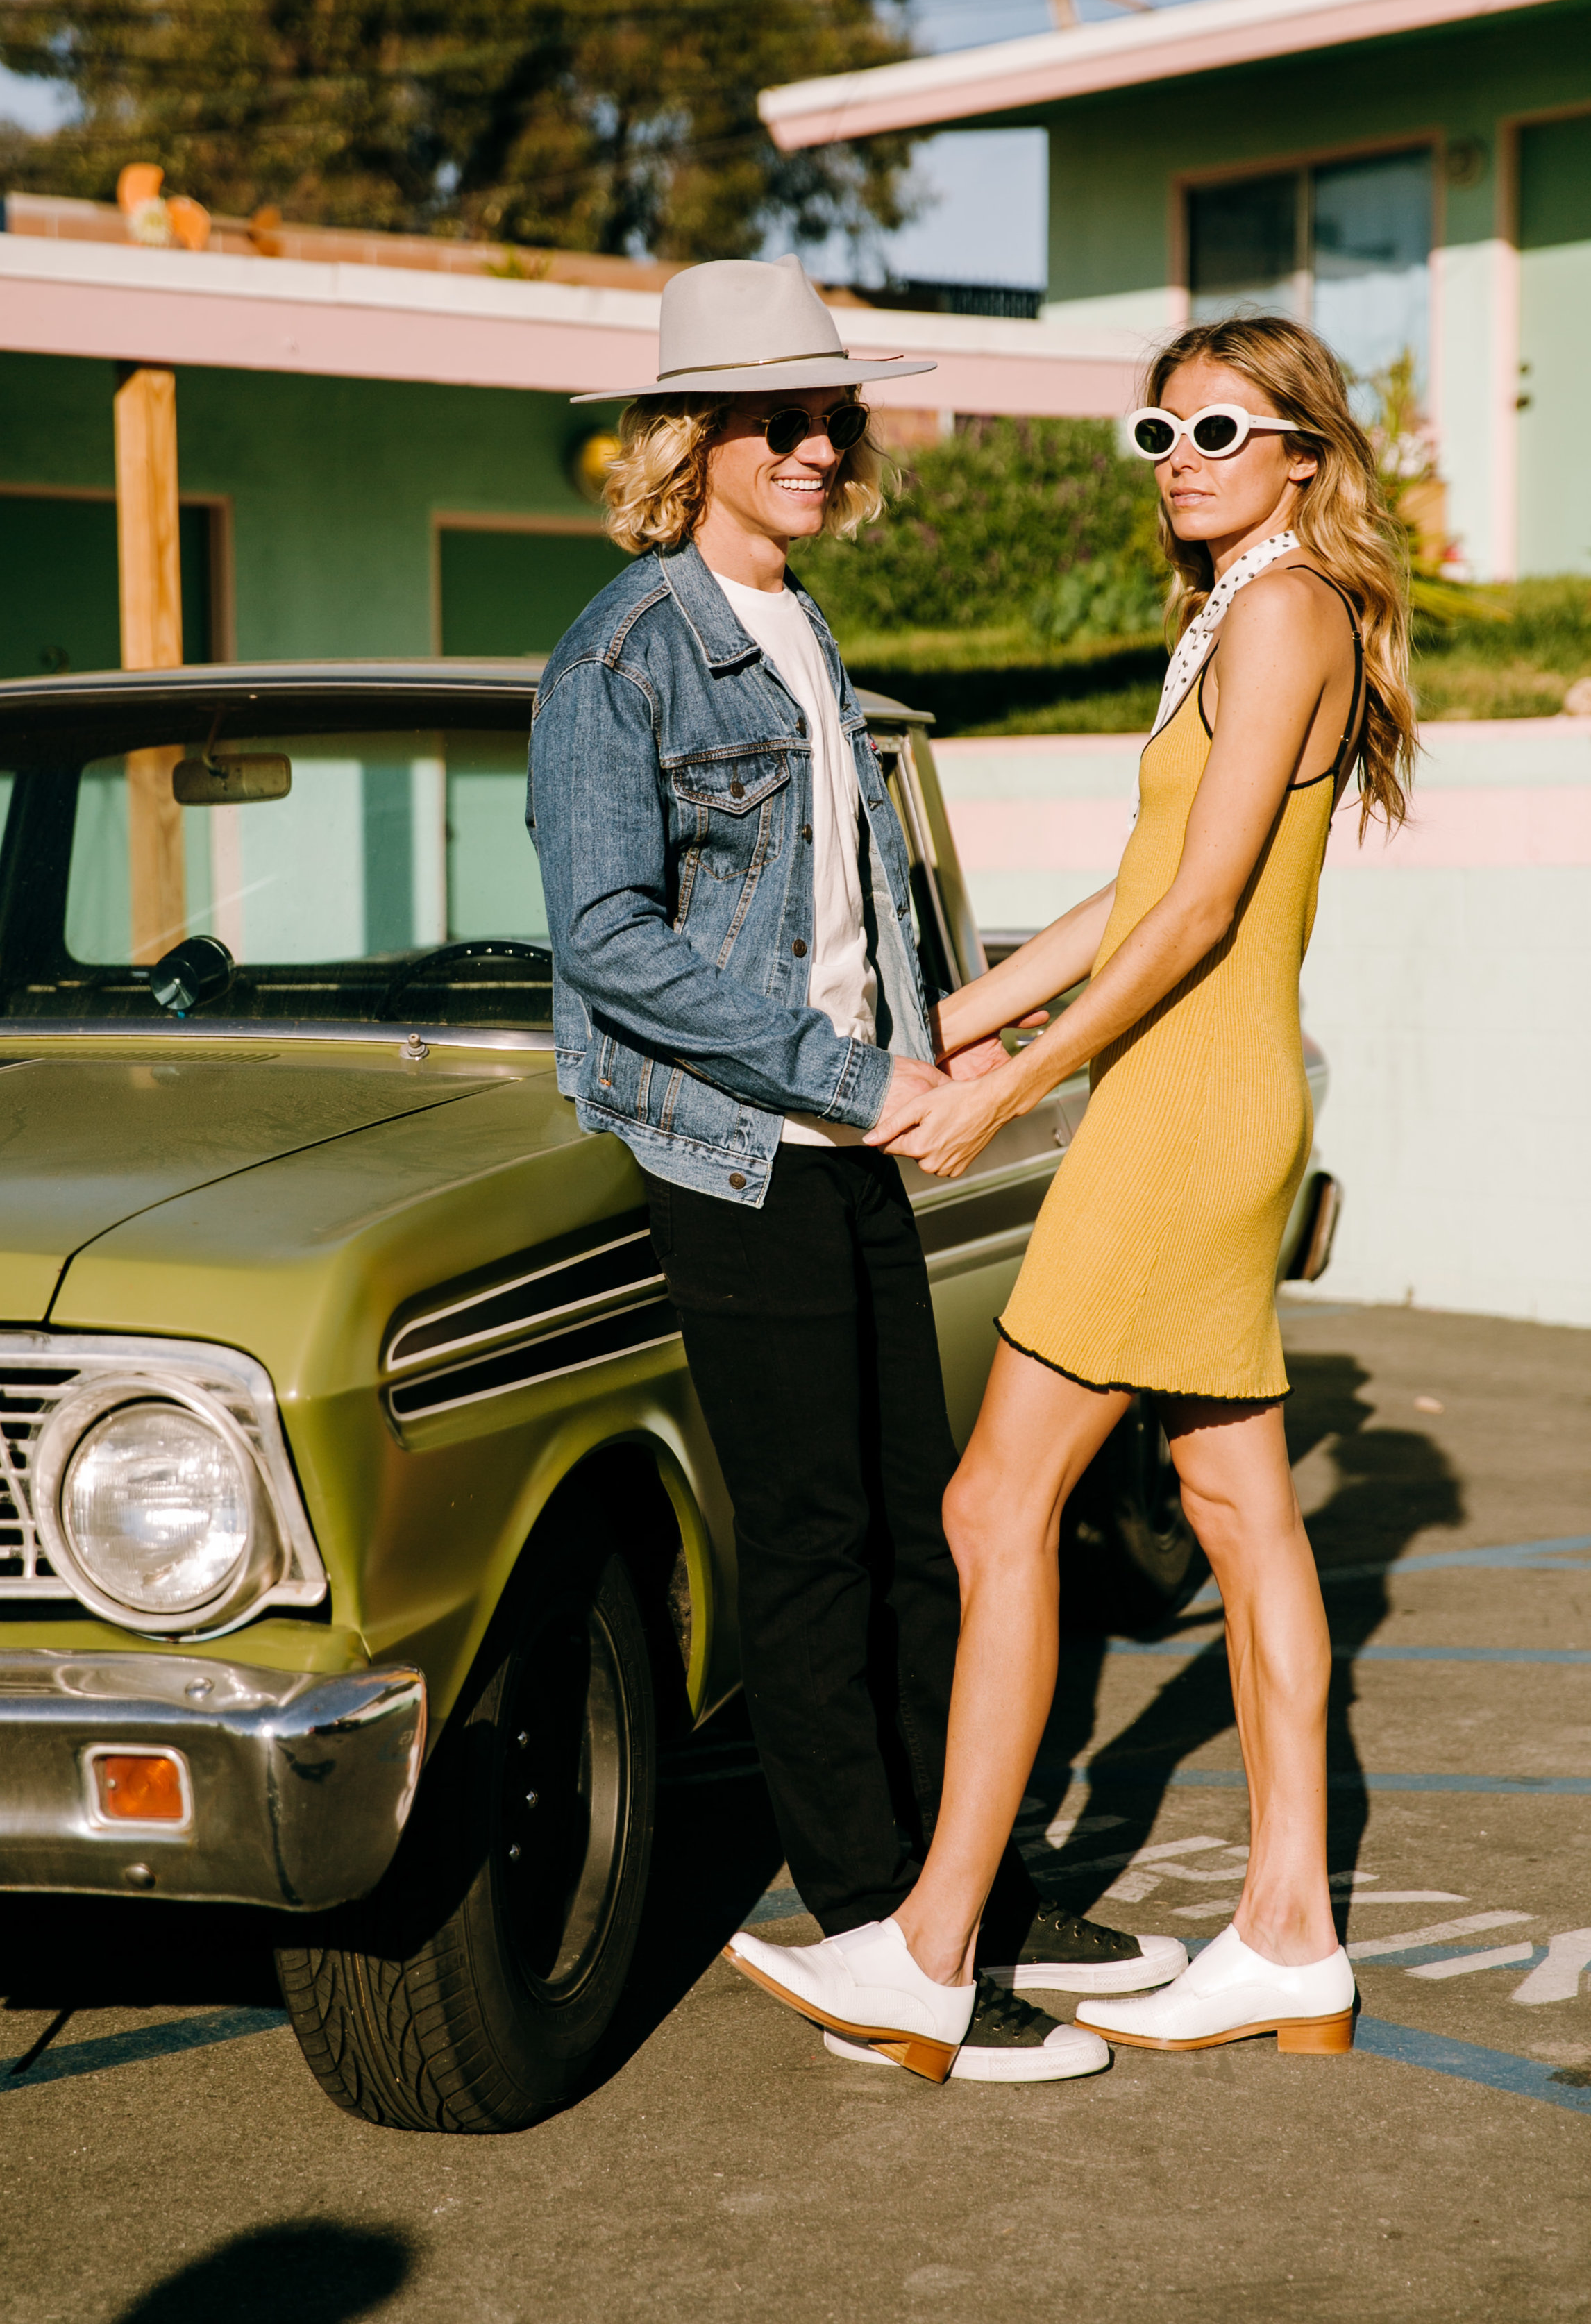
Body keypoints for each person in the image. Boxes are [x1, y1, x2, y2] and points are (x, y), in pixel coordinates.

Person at [727, 313, 1417, 2078]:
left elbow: (1194, 917)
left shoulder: (1279, 614)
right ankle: (1286, 1935)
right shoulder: (1238, 614)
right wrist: (940, 1021)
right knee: (1239, 1509)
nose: (1179, 453)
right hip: (1194, 1089)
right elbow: (1137, 892)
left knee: (986, 1505)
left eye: (1217, 426)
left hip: (1182, 1111)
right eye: (1155, 429)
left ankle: (933, 1948)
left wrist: (1003, 1091)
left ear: (1301, 456)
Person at [530, 255, 1184, 2086]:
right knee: (817, 1542)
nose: (820, 446)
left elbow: (845, 908)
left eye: (834, 416)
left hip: (852, 1134)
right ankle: (886, 1920)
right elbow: (606, 936)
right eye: (779, 419)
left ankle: (973, 1880)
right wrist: (849, 1068)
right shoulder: (622, 653)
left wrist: (934, 1032)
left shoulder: (802, 629)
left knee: (931, 1521)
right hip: (737, 1145)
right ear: (688, 441)